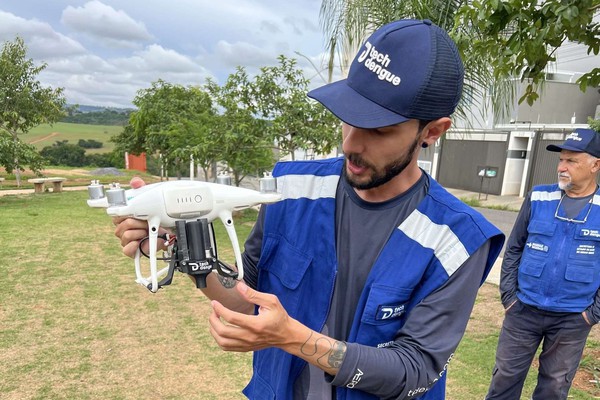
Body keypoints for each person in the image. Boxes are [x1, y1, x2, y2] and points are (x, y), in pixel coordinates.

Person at [115, 19, 504, 399]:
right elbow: (247, 297)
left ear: (432, 132)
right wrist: (183, 245)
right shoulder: (291, 188)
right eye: (348, 119)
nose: (352, 143)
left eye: (380, 129)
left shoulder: (459, 238)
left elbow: (416, 371)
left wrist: (291, 337)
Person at [486, 128, 600, 400]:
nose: (562, 167)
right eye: (561, 160)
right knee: (504, 379)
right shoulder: (539, 197)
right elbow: (514, 247)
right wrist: (510, 298)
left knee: (554, 388)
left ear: (596, 164)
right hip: (523, 310)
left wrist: (592, 314)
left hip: (573, 318)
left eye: (572, 161)